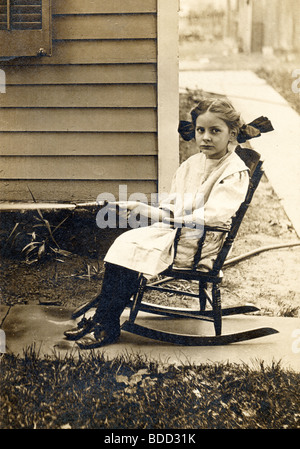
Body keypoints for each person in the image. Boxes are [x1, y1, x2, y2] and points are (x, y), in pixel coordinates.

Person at [64, 97, 273, 349]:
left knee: (131, 246)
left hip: (198, 245)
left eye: (215, 131)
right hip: (177, 231)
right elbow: (176, 201)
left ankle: (105, 324)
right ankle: (103, 319)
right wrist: (151, 209)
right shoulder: (193, 164)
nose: (205, 137)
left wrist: (156, 215)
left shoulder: (233, 171)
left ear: (232, 134)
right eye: (200, 130)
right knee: (125, 243)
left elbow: (213, 216)